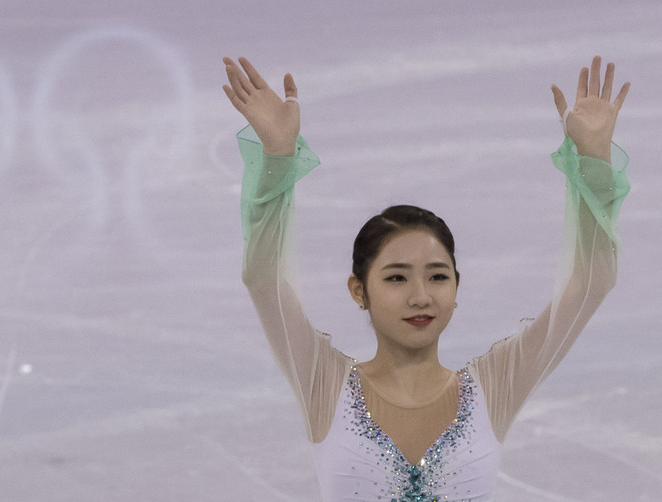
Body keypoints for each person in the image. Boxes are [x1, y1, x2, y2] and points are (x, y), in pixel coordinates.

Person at [222, 55, 630, 501]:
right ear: (359, 290)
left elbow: (593, 280)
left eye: (437, 277)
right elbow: (263, 278)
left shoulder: (495, 386)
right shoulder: (324, 383)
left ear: (456, 287)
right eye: (396, 278)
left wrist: (594, 161)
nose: (421, 297)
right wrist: (278, 159)